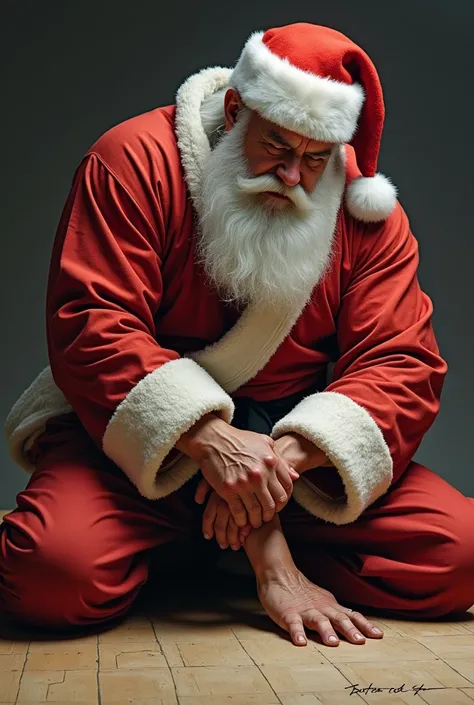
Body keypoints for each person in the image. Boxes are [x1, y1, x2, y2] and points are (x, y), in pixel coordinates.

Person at [2, 22, 473, 648]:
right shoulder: (132, 161)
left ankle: (202, 545)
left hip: (294, 459)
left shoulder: (364, 210)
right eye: (275, 146)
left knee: (456, 558)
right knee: (51, 575)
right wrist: (212, 442)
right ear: (235, 111)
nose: (290, 177)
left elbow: (403, 360)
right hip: (149, 445)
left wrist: (274, 465)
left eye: (313, 159)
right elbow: (92, 323)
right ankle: (214, 545)